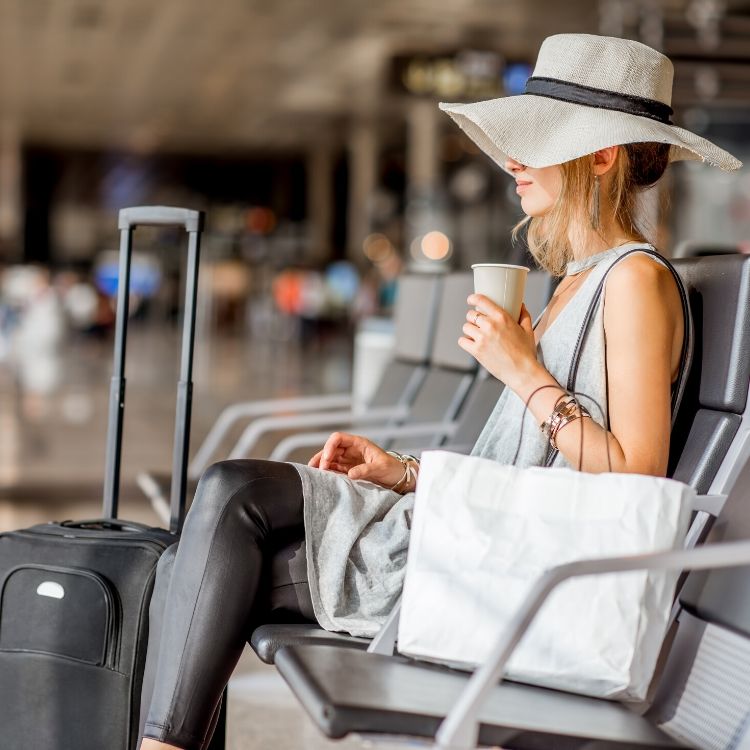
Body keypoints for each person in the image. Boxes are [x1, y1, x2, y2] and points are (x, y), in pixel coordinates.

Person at [138, 33, 741, 750]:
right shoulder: (575, 283)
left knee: (193, 558)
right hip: (488, 540)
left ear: (602, 155)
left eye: (536, 140)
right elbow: (522, 464)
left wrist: (523, 369)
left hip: (515, 572)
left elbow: (638, 475)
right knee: (231, 489)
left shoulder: (635, 281)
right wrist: (404, 472)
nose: (512, 162)